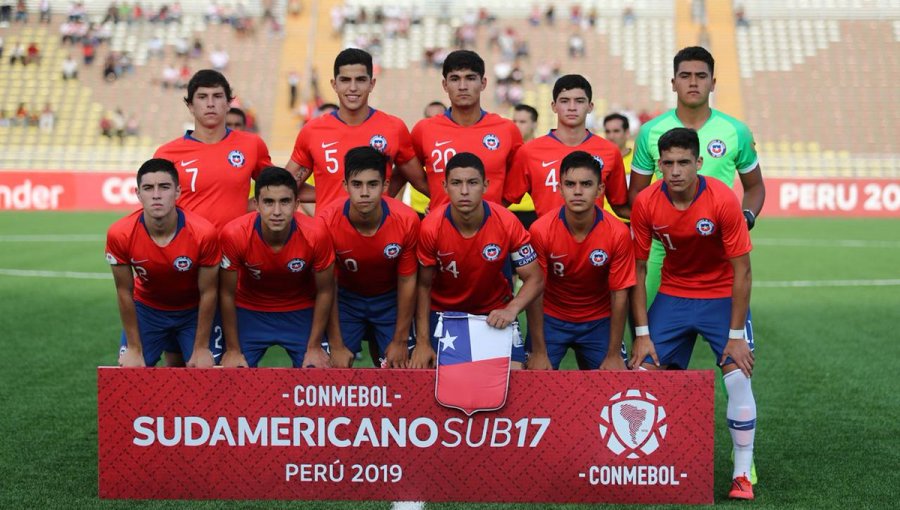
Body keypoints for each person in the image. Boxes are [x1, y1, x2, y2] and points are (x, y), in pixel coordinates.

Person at [628, 127, 756, 501]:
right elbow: (636, 270)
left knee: (738, 377)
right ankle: (650, 463)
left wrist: (735, 337)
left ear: (699, 163)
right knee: (640, 375)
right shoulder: (647, 203)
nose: (675, 171)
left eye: (684, 162)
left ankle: (742, 474)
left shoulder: (722, 200)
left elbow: (742, 271)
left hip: (721, 296)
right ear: (659, 166)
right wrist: (641, 332)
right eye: (667, 163)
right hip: (673, 294)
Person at [628, 46, 765, 307]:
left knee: (731, 339)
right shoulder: (650, 132)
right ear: (673, 83)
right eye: (685, 75)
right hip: (663, 249)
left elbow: (755, 186)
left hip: (718, 248)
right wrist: (658, 227)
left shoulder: (736, 131)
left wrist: (746, 217)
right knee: (651, 334)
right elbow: (637, 192)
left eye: (701, 76)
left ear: (713, 84)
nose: (693, 82)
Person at [410, 152, 543, 370]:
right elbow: (423, 286)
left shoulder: (507, 221)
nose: (464, 191)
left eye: (472, 183)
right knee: (434, 373)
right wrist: (423, 343)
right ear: (444, 186)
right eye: (456, 183)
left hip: (494, 312)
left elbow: (535, 278)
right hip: (444, 313)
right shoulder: (431, 227)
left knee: (516, 376)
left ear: (485, 185)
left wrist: (511, 309)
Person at [218, 166, 338, 368]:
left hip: (300, 310)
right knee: (230, 375)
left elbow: (325, 291)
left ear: (296, 204)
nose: (276, 212)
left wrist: (315, 346)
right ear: (256, 204)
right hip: (249, 310)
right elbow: (226, 293)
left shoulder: (316, 234)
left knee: (319, 376)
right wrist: (233, 349)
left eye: (284, 202)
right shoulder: (234, 234)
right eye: (268, 202)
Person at [105, 158, 220, 367]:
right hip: (147, 310)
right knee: (129, 371)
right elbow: (124, 291)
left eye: (164, 187)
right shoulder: (119, 233)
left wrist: (201, 347)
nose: (156, 195)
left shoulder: (204, 233)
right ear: (138, 194)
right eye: (148, 188)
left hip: (192, 311)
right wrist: (133, 347)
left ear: (177, 192)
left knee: (205, 370)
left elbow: (209, 292)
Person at [286, 48, 428, 213]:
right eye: (345, 80)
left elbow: (420, 181)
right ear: (334, 84)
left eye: (360, 80)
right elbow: (284, 186)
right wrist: (327, 193)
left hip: (378, 234)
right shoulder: (312, 131)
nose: (353, 87)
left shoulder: (394, 128)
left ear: (371, 84)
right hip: (329, 236)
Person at [527, 151, 634, 370]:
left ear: (600, 189)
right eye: (570, 184)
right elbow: (534, 290)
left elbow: (620, 293)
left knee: (616, 387)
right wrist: (539, 350)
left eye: (586, 184)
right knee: (532, 384)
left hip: (599, 320)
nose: (577, 191)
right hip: (551, 318)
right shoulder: (540, 230)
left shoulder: (618, 232)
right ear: (559, 188)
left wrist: (613, 353)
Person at [319, 146, 420, 367]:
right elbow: (327, 285)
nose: (364, 192)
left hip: (389, 299)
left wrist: (400, 340)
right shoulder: (326, 221)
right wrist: (336, 345)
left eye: (372, 184)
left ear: (385, 185)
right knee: (328, 369)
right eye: (357, 184)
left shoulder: (407, 220)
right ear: (345, 185)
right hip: (345, 300)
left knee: (403, 369)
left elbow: (407, 279)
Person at [154, 69, 273, 230]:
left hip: (236, 250)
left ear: (228, 104)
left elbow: (277, 190)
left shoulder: (252, 145)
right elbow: (155, 208)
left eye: (217, 96)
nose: (210, 103)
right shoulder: (166, 154)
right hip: (188, 251)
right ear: (190, 106)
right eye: (202, 97)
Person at [504, 74, 629, 219]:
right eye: (564, 101)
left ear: (590, 107)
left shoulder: (610, 152)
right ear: (554, 106)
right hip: (546, 240)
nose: (572, 107)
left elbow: (620, 206)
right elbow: (504, 201)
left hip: (594, 240)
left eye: (579, 101)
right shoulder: (528, 152)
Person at [411, 50, 523, 210]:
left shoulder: (507, 130)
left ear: (483, 83)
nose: (463, 86)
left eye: (470, 78)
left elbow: (520, 177)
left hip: (492, 231)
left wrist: (497, 208)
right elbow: (405, 171)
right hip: (441, 230)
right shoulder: (424, 129)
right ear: (445, 85)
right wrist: (438, 197)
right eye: (455, 79)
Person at [602, 112, 634, 222]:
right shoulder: (597, 161)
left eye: (616, 131)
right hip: (603, 223)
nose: (611, 136)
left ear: (627, 133)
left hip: (631, 221)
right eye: (608, 132)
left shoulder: (640, 160)